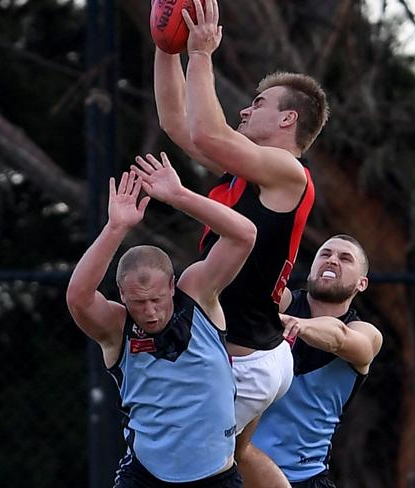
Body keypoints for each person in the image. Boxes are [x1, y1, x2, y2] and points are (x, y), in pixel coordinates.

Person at [154, 0, 329, 484]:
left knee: (195, 468)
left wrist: (202, 51)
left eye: (260, 104)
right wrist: (166, 47)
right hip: (252, 350)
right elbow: (177, 122)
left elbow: (208, 134)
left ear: (289, 120)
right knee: (240, 458)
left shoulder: (287, 171)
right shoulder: (248, 166)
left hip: (244, 358)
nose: (246, 109)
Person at [65, 152, 257, 487]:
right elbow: (78, 298)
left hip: (216, 476)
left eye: (157, 299)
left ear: (172, 285)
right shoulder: (116, 328)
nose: (150, 312)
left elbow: (244, 235)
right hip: (146, 476)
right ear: (122, 296)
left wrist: (179, 196)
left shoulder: (198, 295)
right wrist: (115, 228)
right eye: (139, 303)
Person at [244, 235, 383, 488]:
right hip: (237, 471)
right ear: (310, 271)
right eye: (325, 254)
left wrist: (296, 325)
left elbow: (339, 338)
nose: (332, 260)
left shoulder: (365, 333)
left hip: (304, 479)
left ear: (361, 284)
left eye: (345, 258)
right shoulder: (282, 303)